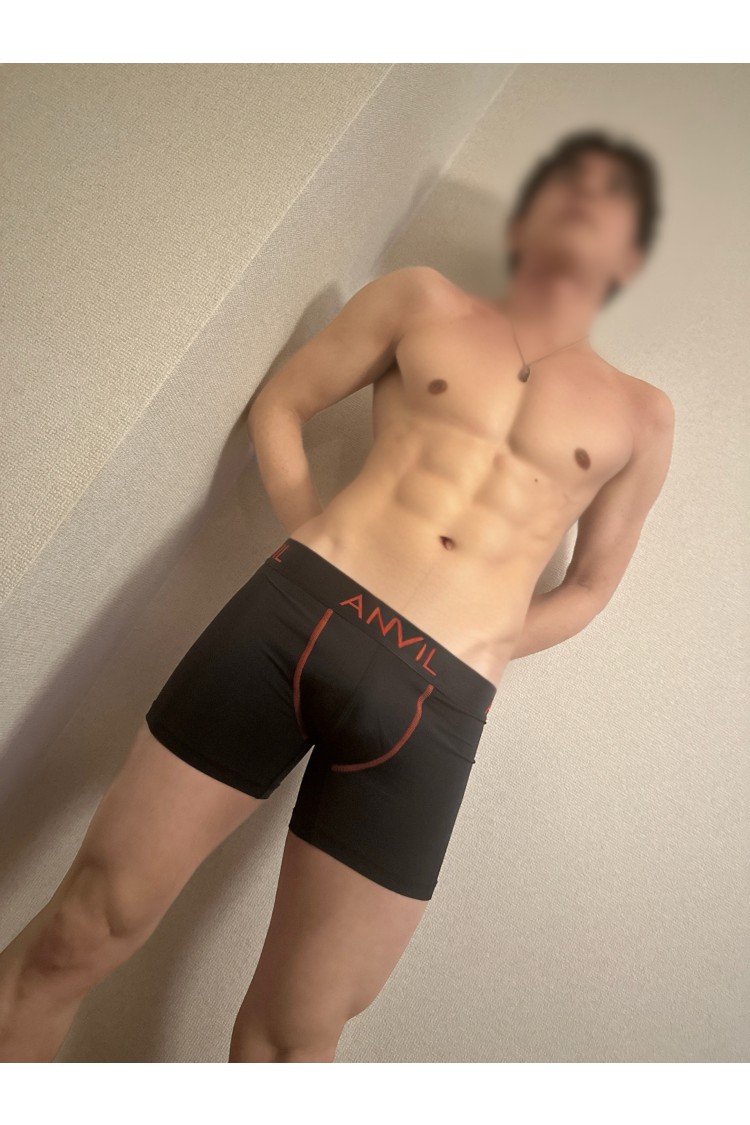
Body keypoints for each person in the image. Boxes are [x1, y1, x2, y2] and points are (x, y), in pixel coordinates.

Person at [0, 128, 674, 1063]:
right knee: (86, 923)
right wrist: (312, 535)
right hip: (293, 618)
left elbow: (593, 583)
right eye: (570, 181)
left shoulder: (643, 414)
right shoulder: (422, 299)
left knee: (295, 1039)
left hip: (439, 699)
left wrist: (487, 640)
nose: (585, 199)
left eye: (613, 194)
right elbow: (283, 403)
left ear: (632, 252)